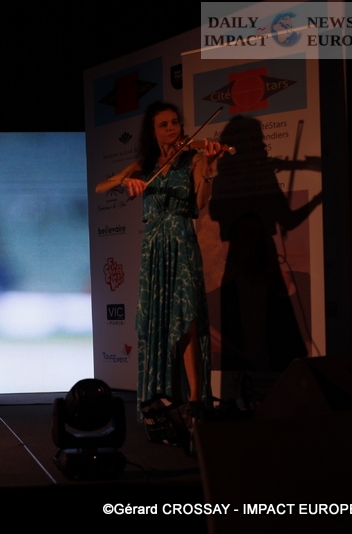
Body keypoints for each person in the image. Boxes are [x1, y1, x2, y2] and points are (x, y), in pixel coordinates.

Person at [95, 101, 224, 417]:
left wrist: (209, 169)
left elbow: (201, 202)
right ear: (152, 132)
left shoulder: (193, 159)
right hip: (154, 245)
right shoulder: (144, 165)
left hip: (181, 238)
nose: (171, 129)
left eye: (174, 122)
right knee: (159, 320)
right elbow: (101, 186)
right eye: (163, 124)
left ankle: (196, 400)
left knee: (188, 316)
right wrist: (126, 180)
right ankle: (162, 395)